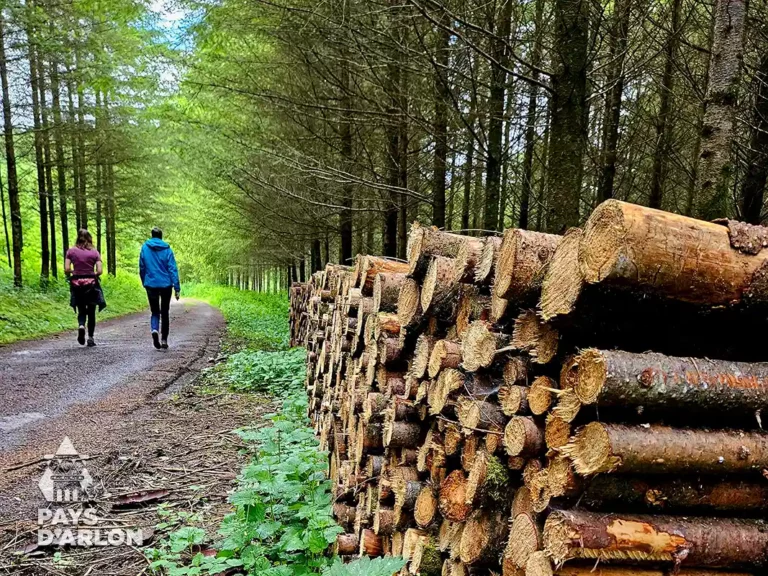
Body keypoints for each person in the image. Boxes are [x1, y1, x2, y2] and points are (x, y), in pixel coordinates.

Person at [139, 227, 180, 349]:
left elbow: (142, 266)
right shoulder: (167, 249)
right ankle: (164, 340)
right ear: (161, 236)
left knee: (155, 311)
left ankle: (154, 330)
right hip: (166, 284)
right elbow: (172, 269)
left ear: (152, 236)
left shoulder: (145, 248)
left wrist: (144, 281)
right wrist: (177, 287)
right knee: (165, 312)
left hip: (151, 283)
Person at [65, 229, 106, 347]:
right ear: (89, 238)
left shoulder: (71, 251)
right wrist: (91, 273)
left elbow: (67, 269)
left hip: (77, 284)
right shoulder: (94, 252)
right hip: (91, 284)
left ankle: (81, 325)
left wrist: (75, 272)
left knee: (81, 308)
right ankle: (91, 338)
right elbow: (99, 271)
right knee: (91, 311)